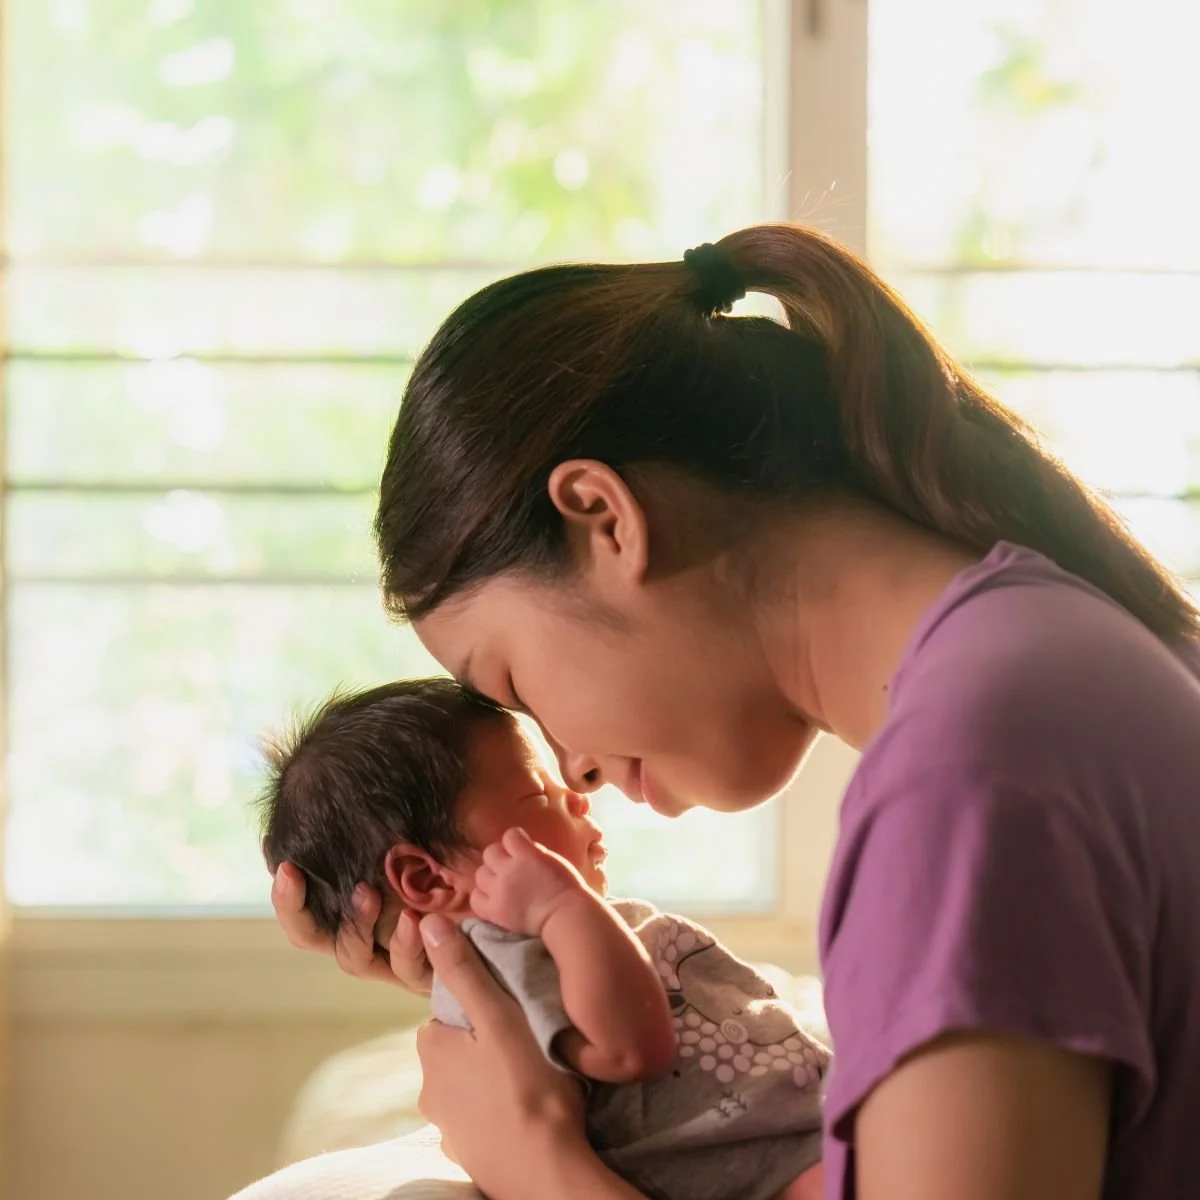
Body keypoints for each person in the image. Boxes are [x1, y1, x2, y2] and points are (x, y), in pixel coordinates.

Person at [271, 225, 1200, 1199]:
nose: (573, 766)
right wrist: (505, 977)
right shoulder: (1073, 652)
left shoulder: (969, 780)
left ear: (604, 516)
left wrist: (538, 1163)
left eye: (513, 686)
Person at [258, 678, 828, 1200]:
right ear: (428, 878)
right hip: (781, 1171)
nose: (579, 798)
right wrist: (562, 907)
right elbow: (629, 1048)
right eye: (540, 797)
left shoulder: (523, 956)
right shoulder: (513, 964)